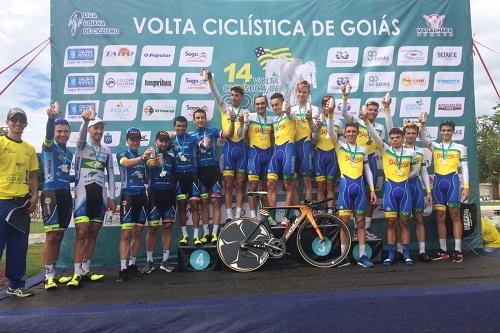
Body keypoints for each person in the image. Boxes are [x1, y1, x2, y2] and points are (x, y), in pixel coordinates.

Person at [363, 111, 419, 265]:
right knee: (391, 223)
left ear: (403, 138)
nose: (395, 140)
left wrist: (407, 177)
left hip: (405, 190)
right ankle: (391, 254)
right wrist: (367, 122)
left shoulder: (411, 152)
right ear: (389, 139)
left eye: (398, 137)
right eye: (392, 138)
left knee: (405, 223)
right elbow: (374, 135)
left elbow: (416, 170)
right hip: (390, 191)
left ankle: (407, 254)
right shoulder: (385, 149)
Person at [69, 112, 116, 288]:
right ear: (89, 130)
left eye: (101, 128)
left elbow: (110, 174)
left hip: (100, 196)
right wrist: (85, 121)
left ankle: (86, 269)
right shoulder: (82, 146)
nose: (99, 131)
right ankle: (76, 272)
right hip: (83, 194)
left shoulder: (106, 151)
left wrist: (112, 197)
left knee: (94, 232)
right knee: (81, 232)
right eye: (95, 128)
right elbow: (81, 136)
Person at [327, 108, 377, 268]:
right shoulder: (339, 145)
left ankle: (362, 256)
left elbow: (367, 170)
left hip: (360, 188)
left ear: (357, 133)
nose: (350, 134)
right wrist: (329, 115)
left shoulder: (363, 150)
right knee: (344, 223)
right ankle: (343, 256)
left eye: (353, 131)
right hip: (345, 188)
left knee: (361, 223)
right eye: (348, 131)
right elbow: (330, 132)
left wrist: (372, 189)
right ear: (345, 133)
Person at [383, 105, 433, 262]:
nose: (410, 135)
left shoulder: (419, 152)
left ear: (417, 135)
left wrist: (428, 191)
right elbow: (390, 128)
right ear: (403, 135)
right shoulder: (395, 149)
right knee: (398, 220)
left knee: (418, 219)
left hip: (415, 186)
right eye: (408, 133)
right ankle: (399, 250)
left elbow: (423, 171)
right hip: (399, 185)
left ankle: (422, 251)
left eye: (413, 133)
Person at [419, 115, 469, 263]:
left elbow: (465, 168)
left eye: (449, 130)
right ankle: (443, 250)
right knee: (440, 217)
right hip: (438, 184)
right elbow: (422, 139)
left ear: (453, 132)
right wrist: (423, 124)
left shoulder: (460, 148)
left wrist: (466, 187)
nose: (446, 133)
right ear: (440, 132)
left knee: (455, 216)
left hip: (453, 182)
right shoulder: (435, 146)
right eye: (443, 130)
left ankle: (458, 250)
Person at [0, 107, 39, 297]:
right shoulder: (0, 142)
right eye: (13, 120)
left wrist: (35, 195)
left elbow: (32, 176)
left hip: (21, 204)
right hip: (1, 201)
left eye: (21, 120)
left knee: (19, 245)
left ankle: (16, 285)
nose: (17, 123)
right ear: (7, 122)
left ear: (25, 124)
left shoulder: (29, 149)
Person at [342, 87, 386, 239]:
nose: (372, 112)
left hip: (371, 160)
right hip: (354, 160)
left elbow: (382, 144)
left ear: (377, 112)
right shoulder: (357, 122)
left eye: (375, 110)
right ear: (365, 110)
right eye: (370, 109)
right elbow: (343, 113)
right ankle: (356, 227)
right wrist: (345, 96)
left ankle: (367, 227)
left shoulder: (380, 128)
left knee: (369, 195)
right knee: (355, 193)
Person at [41, 103, 74, 290]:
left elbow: (68, 175)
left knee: (60, 235)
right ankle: (47, 276)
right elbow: (47, 136)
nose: (62, 134)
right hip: (50, 194)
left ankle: (52, 272)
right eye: (59, 131)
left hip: (65, 194)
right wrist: (50, 119)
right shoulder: (49, 146)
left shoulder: (68, 153)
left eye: (65, 131)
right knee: (51, 236)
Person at [207, 71, 246, 222]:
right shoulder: (225, 108)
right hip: (229, 148)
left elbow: (244, 132)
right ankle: (229, 215)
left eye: (236, 95)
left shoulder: (246, 112)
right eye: (232, 95)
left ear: (241, 97)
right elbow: (215, 93)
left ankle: (238, 214)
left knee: (240, 184)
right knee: (228, 184)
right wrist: (210, 79)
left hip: (242, 149)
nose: (233, 97)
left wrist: (241, 121)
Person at [192, 108, 234, 244]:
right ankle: (205, 233)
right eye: (197, 118)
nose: (200, 120)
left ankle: (215, 233)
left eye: (202, 117)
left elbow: (229, 134)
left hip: (214, 170)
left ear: (205, 119)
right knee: (204, 204)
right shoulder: (191, 136)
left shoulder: (213, 131)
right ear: (194, 120)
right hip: (200, 172)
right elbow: (177, 139)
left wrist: (232, 122)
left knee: (216, 202)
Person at [116, 128, 153, 281]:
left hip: (141, 198)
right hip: (128, 196)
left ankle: (132, 264)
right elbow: (126, 164)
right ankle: (123, 268)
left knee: (138, 232)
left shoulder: (143, 157)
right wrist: (142, 159)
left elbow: (147, 175)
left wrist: (150, 162)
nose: (135, 142)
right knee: (126, 233)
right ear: (127, 140)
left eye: (137, 139)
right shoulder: (122, 154)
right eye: (132, 139)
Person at [143, 131, 176, 273]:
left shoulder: (172, 156)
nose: (163, 143)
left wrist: (170, 135)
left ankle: (165, 260)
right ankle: (149, 261)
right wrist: (147, 164)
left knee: (168, 227)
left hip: (169, 195)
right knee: (152, 228)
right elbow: (143, 176)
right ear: (156, 141)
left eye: (165, 141)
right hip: (154, 195)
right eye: (160, 141)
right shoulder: (149, 155)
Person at [266, 93, 296, 225]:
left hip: (288, 150)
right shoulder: (274, 120)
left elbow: (289, 113)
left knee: (289, 185)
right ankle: (272, 217)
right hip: (276, 152)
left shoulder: (290, 114)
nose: (274, 108)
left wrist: (287, 110)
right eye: (272, 106)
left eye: (277, 104)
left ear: (283, 103)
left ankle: (286, 217)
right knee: (270, 183)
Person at [170, 116, 201, 245]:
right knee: (182, 206)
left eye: (183, 126)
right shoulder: (171, 140)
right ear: (174, 126)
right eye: (178, 126)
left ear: (186, 127)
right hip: (178, 176)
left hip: (192, 175)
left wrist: (205, 143)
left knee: (194, 205)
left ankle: (196, 236)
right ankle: (184, 236)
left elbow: (201, 143)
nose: (181, 128)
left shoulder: (192, 138)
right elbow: (161, 147)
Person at [241, 96, 273, 219]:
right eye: (258, 104)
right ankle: (253, 217)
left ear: (266, 105)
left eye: (263, 103)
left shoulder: (271, 119)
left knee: (266, 187)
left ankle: (266, 217)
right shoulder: (249, 117)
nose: (260, 106)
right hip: (254, 154)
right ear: (254, 106)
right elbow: (242, 132)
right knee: (253, 186)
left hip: (268, 155)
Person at [312, 96, 342, 214]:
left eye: (330, 104)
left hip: (333, 155)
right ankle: (320, 213)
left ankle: (330, 213)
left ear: (334, 106)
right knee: (320, 186)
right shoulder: (317, 120)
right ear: (322, 106)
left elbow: (341, 141)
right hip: (319, 154)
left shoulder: (339, 122)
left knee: (330, 186)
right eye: (325, 104)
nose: (327, 107)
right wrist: (318, 129)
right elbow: (314, 139)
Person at [291, 80, 317, 209]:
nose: (301, 94)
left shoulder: (314, 109)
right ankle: (297, 213)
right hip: (293, 148)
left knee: (307, 182)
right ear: (296, 92)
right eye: (299, 92)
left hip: (306, 147)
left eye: (304, 92)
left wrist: (310, 119)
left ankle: (308, 213)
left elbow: (314, 132)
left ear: (308, 93)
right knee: (293, 182)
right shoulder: (292, 110)